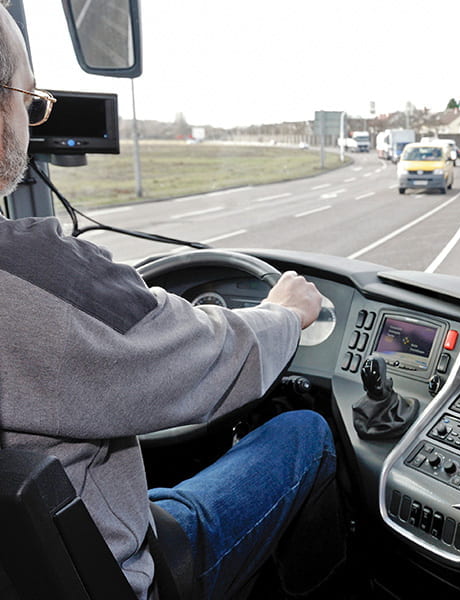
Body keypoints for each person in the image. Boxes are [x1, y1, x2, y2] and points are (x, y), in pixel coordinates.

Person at [0, 7, 337, 600]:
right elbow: (212, 361)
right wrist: (284, 313)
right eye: (30, 100)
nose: (32, 119)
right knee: (305, 431)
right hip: (114, 575)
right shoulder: (36, 272)